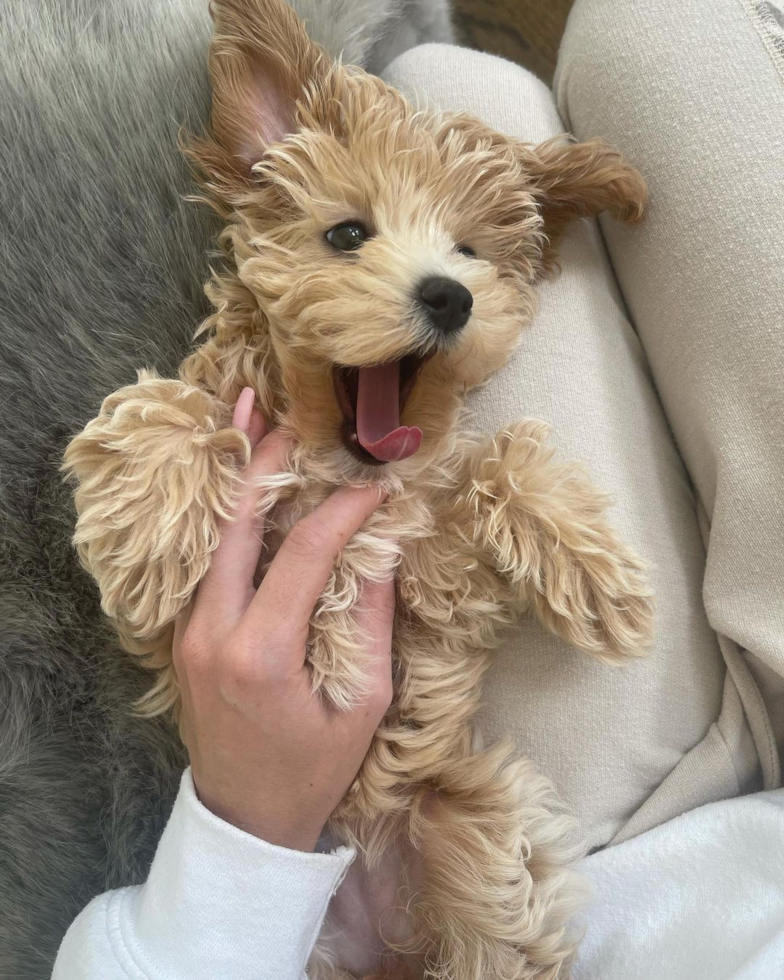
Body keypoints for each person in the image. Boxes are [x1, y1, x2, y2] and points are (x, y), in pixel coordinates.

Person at [53, 0, 784, 976]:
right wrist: (517, 499)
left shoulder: (220, 418)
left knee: (493, 80)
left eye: (469, 257)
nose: (438, 282)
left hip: (320, 859)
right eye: (349, 232)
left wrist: (244, 836)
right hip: (609, 846)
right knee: (632, 31)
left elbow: (145, 569)